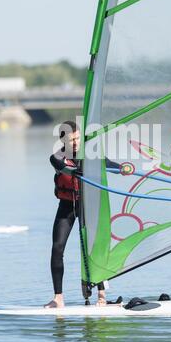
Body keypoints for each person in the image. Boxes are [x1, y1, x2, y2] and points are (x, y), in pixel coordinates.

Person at [45, 121, 119, 308]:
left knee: (95, 247)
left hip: (88, 206)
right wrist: (78, 170)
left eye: (78, 138)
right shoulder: (56, 157)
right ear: (63, 140)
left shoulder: (91, 154)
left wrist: (124, 168)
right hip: (67, 206)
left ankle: (102, 295)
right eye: (72, 140)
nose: (76, 142)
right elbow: (65, 169)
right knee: (57, 248)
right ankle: (58, 298)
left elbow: (108, 165)